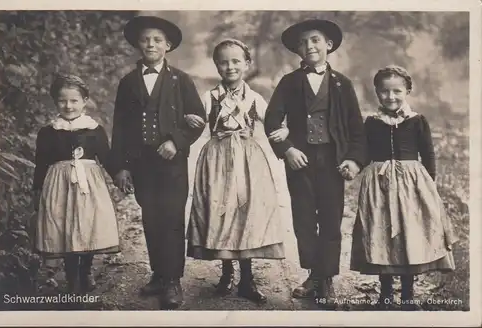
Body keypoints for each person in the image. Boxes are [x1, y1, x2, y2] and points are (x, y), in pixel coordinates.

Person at [264, 18, 368, 307]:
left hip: (333, 161)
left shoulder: (341, 84)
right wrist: (287, 149)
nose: (310, 46)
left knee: (331, 221)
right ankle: (314, 273)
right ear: (297, 49)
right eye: (303, 42)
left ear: (328, 45)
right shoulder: (289, 82)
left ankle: (326, 279)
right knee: (304, 220)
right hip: (300, 161)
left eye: (315, 40)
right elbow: (272, 120)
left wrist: (354, 159)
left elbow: (356, 128)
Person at [109, 16, 206, 310]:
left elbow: (198, 120)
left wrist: (175, 141)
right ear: (138, 45)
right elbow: (120, 128)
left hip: (172, 163)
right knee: (150, 218)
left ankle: (173, 279)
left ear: (168, 45)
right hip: (142, 164)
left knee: (171, 218)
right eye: (145, 40)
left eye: (157, 40)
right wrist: (121, 166)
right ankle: (159, 274)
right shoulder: (128, 83)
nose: (150, 44)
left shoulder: (181, 80)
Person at [184, 39, 289, 304]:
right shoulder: (210, 97)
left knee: (247, 213)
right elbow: (194, 121)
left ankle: (247, 278)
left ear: (246, 64)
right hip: (217, 159)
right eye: (223, 62)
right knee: (222, 212)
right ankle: (227, 272)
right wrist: (187, 120)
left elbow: (275, 121)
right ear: (216, 65)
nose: (230, 67)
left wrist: (286, 129)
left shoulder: (254, 98)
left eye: (235, 61)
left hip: (247, 159)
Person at [349, 65, 457, 311]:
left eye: (397, 91)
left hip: (412, 186)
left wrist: (430, 187)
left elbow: (428, 154)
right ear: (377, 93)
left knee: (410, 235)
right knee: (382, 235)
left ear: (408, 91)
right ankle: (385, 294)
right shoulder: (372, 122)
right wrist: (353, 164)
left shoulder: (417, 121)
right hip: (379, 186)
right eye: (385, 92)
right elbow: (363, 152)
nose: (391, 97)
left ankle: (408, 295)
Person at [32, 74, 120, 295]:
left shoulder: (94, 129)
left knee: (87, 227)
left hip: (88, 186)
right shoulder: (48, 132)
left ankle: (86, 270)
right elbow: (41, 163)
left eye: (74, 100)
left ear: (84, 100)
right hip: (59, 187)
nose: (68, 106)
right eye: (63, 101)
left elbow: (106, 158)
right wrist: (37, 190)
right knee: (67, 231)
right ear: (55, 102)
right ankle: (73, 281)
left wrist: (120, 176)